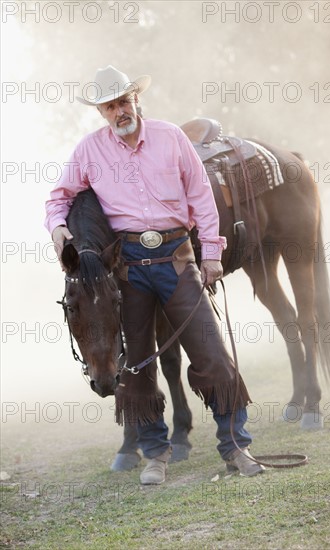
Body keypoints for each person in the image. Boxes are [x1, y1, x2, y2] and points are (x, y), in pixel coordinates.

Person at [45, 65, 264, 484]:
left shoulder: (169, 136)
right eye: (110, 106)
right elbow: (59, 197)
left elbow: (200, 193)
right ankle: (155, 454)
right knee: (137, 366)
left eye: (124, 102)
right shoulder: (89, 151)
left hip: (178, 255)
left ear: (136, 100)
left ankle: (236, 445)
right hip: (127, 266)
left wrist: (213, 253)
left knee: (210, 351)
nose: (119, 111)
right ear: (102, 112)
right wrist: (57, 226)